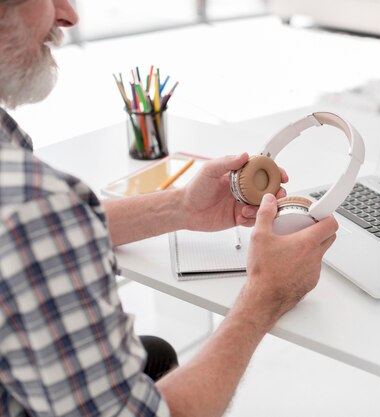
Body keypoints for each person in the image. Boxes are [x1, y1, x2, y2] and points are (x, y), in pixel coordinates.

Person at [0, 1, 339, 416]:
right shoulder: (30, 207)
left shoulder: (22, 187)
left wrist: (181, 208)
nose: (69, 14)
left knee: (154, 354)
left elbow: (38, 239)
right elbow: (34, 229)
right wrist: (265, 295)